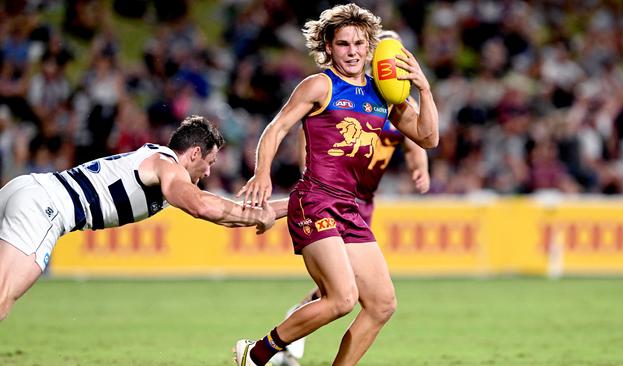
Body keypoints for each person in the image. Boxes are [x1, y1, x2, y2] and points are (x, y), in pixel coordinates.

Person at [234, 4, 439, 366]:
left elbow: (428, 137)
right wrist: (262, 172)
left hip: (350, 207)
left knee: (382, 304)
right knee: (342, 299)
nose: (353, 51)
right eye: (344, 44)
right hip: (315, 201)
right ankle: (257, 352)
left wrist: (423, 88)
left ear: (369, 46)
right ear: (329, 47)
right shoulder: (320, 84)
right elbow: (277, 128)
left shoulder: (385, 95)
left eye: (359, 44)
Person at [0, 115, 287, 321]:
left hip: (27, 188)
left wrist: (291, 206)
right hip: (44, 208)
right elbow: (202, 207)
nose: (209, 173)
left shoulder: (156, 162)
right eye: (209, 163)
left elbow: (224, 217)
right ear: (195, 153)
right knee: (3, 296)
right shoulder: (168, 167)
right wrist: (257, 217)